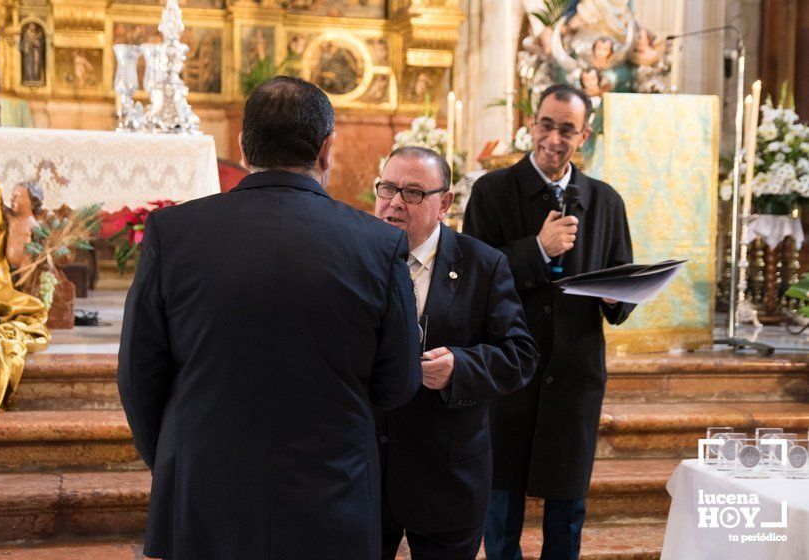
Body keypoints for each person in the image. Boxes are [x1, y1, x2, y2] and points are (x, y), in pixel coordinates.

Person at [117, 76, 422, 560]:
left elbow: (138, 375)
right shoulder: (378, 244)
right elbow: (399, 380)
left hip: (205, 491)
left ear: (242, 146)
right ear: (327, 150)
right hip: (331, 491)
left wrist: (181, 459)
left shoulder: (172, 233)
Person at [463, 84, 635, 560]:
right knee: (500, 514)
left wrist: (620, 294)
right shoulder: (492, 191)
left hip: (575, 373)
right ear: (531, 123)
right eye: (546, 124)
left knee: (567, 513)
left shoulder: (605, 201)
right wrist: (537, 249)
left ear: (584, 135)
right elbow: (473, 278)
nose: (553, 138)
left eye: (566, 129)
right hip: (509, 368)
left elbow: (621, 288)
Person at [374, 147, 539, 560]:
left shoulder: (484, 265)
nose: (394, 203)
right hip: (368, 475)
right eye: (388, 188)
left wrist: (459, 368)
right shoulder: (355, 256)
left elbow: (520, 354)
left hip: (448, 476)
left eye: (413, 193)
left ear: (444, 203)